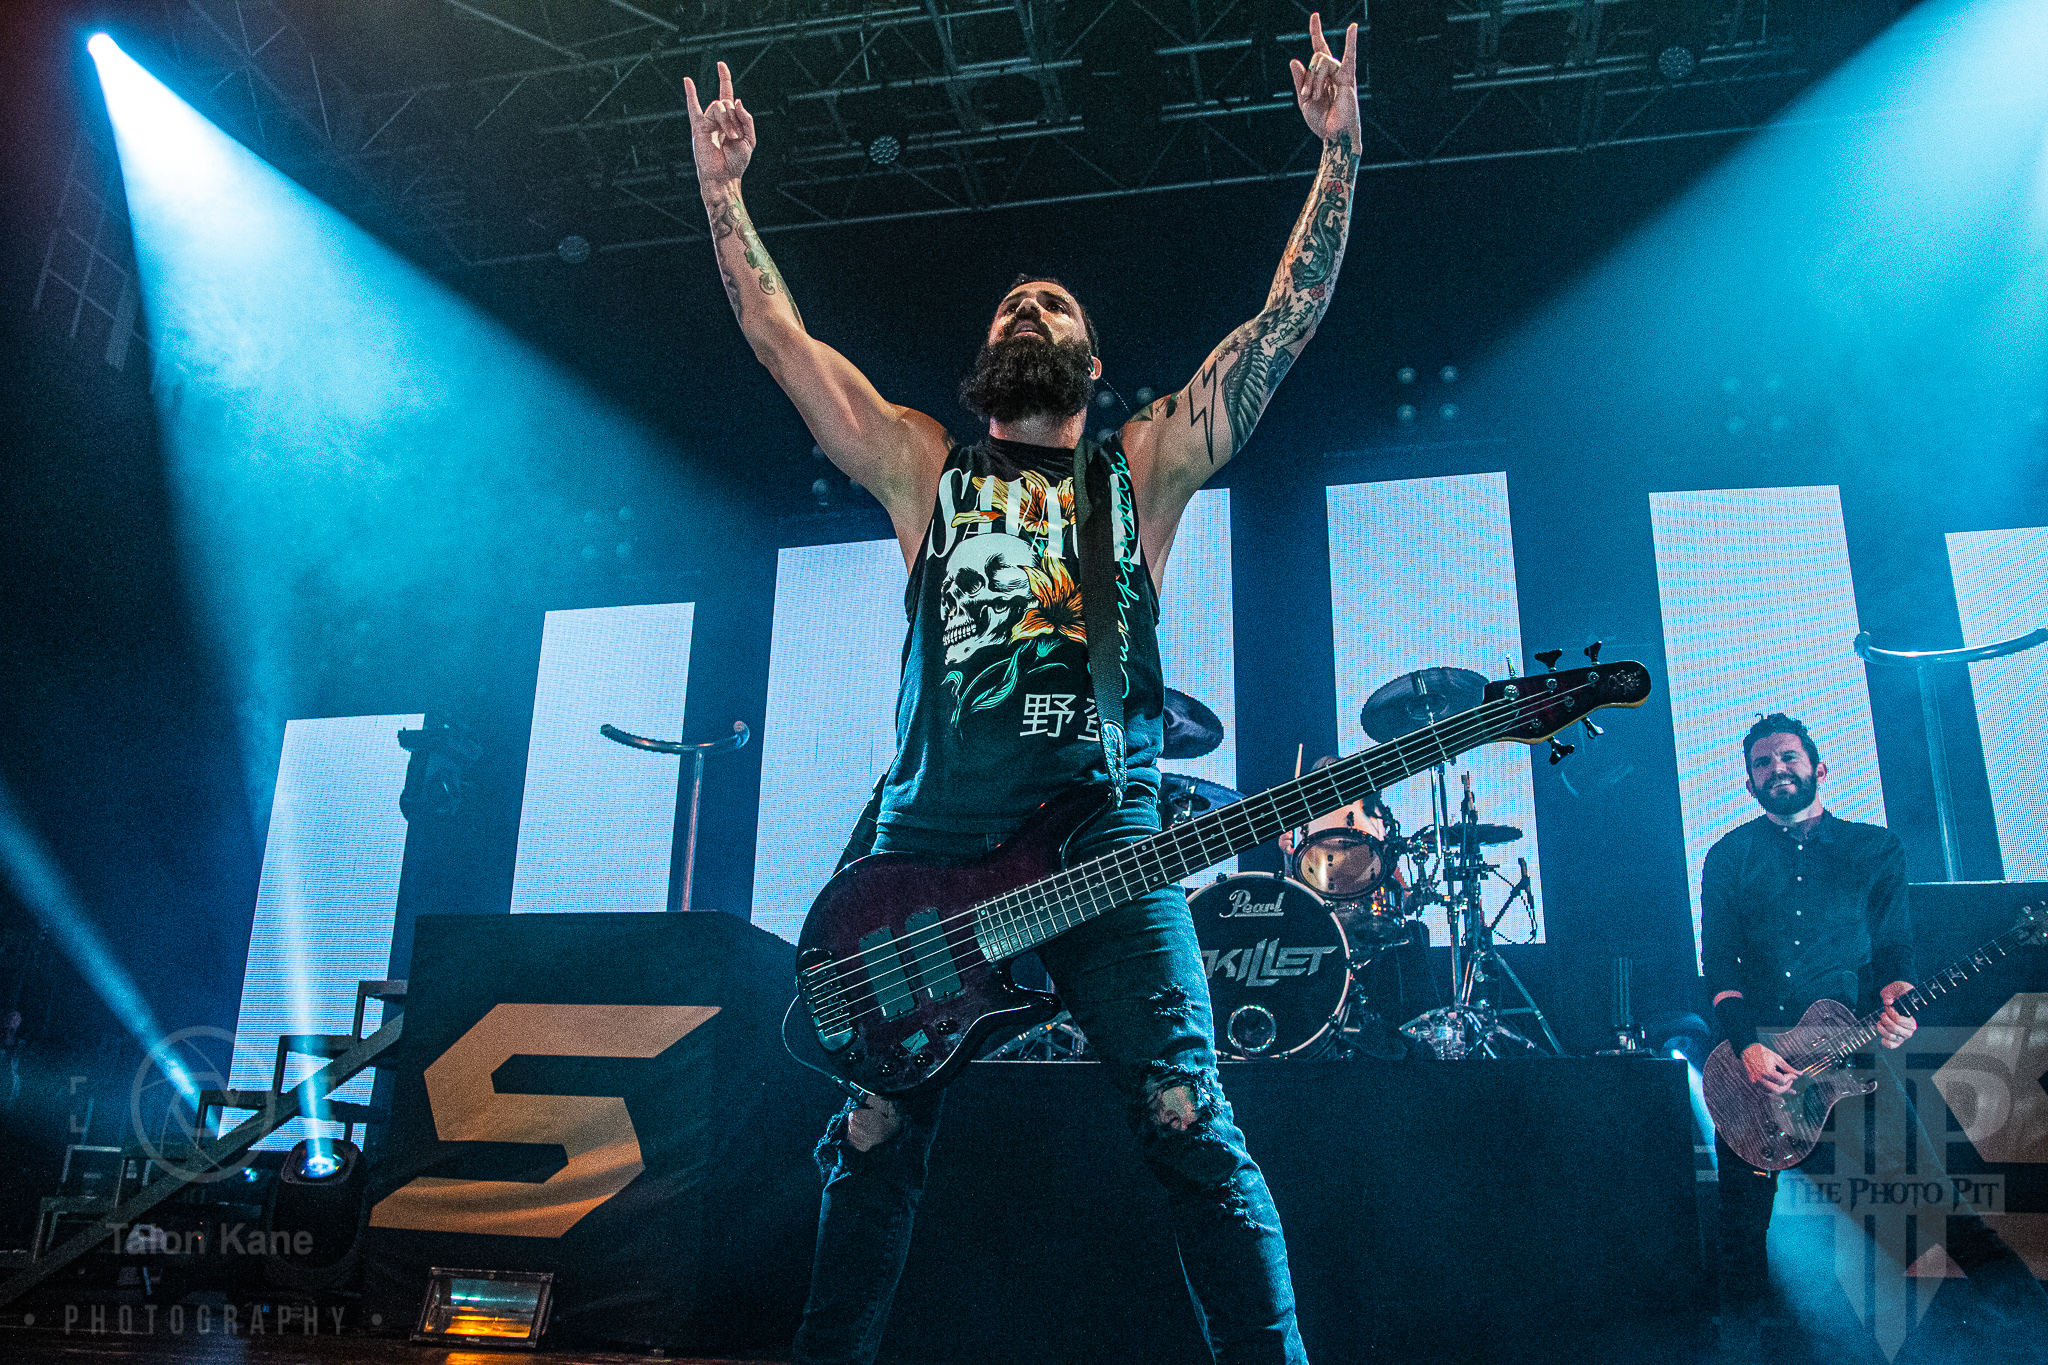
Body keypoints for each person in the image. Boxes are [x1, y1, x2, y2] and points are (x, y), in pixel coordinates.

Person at [684, 16, 1363, 1365]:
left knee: (1185, 1113)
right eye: (1012, 308)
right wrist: (723, 194)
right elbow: (777, 336)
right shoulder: (923, 467)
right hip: (924, 842)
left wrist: (1337, 158)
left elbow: (1280, 328)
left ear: (1093, 368)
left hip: (1104, 837)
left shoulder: (1142, 469)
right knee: (873, 1125)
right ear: (986, 359)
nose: (1029, 312)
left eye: (1054, 308)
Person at [1699, 713, 1918, 1303]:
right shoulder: (1728, 856)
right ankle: (1749, 1327)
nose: (1777, 769)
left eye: (1788, 757)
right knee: (1742, 1230)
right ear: (1749, 784)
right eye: (1762, 763)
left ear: (1819, 769)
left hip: (1850, 1048)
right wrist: (1747, 1046)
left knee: (1919, 1203)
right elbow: (1719, 965)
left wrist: (1899, 1000)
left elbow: (1894, 946)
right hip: (1757, 1058)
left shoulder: (1876, 848)